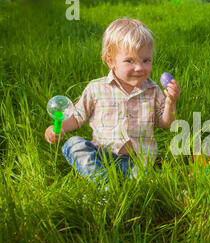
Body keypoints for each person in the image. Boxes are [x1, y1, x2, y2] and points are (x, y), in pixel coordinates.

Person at [45, 18, 180, 187]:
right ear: (110, 61)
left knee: (144, 182)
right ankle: (103, 183)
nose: (139, 67)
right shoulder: (96, 89)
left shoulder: (152, 90)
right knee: (73, 144)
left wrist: (170, 102)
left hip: (139, 162)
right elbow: (77, 116)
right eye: (130, 61)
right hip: (103, 157)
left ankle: (118, 187)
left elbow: (166, 123)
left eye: (146, 60)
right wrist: (59, 128)